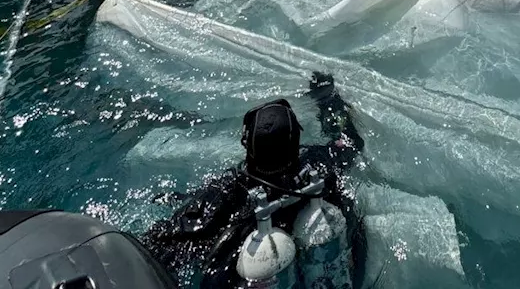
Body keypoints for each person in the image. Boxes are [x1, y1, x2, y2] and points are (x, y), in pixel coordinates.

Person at [141, 71, 365, 288]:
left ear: (248, 145)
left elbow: (158, 248)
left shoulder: (226, 193)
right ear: (296, 140)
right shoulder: (318, 165)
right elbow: (350, 143)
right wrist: (327, 99)